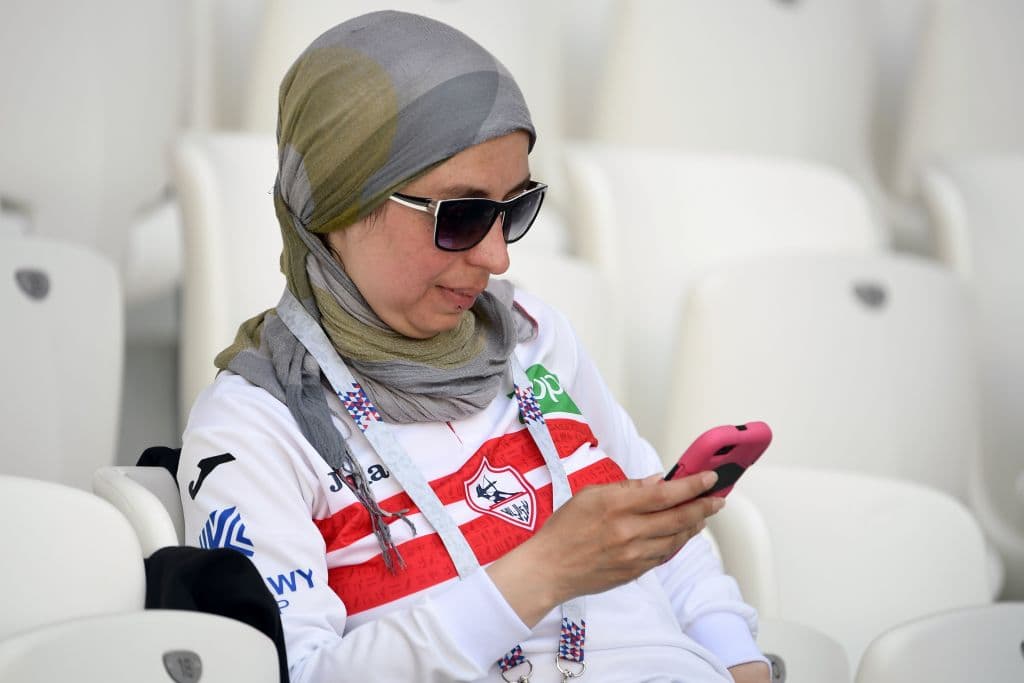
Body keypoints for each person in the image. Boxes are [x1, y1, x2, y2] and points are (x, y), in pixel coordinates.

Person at [178, 10, 771, 683]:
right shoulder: (258, 423)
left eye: (515, 208)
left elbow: (666, 539)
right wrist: (542, 572)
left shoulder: (534, 336)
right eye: (459, 215)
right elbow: (299, 673)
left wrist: (739, 657)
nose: (495, 255)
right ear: (335, 208)